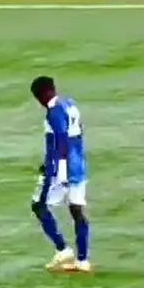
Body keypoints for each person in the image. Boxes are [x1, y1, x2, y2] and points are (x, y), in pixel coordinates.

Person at [29, 75, 91, 273]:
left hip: (60, 169)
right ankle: (82, 260)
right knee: (76, 210)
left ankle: (62, 249)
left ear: (42, 94)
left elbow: (61, 138)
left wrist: (60, 169)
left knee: (38, 205)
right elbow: (78, 132)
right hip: (78, 165)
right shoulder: (69, 105)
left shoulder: (54, 111)